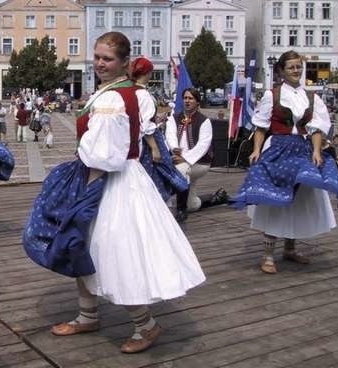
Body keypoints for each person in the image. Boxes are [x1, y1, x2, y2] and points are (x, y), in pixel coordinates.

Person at [24, 32, 205, 354]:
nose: (99, 64)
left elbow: (105, 154)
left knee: (111, 252)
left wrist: (86, 194)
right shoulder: (125, 92)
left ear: (124, 63)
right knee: (85, 245)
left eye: (107, 59)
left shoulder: (112, 98)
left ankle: (145, 325)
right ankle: (87, 314)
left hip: (108, 178)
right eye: (97, 57)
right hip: (121, 174)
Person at [231, 50, 338, 274]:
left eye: (298, 67)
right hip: (279, 148)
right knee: (275, 197)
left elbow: (316, 129)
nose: (296, 70)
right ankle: (268, 254)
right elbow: (261, 126)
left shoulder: (311, 97)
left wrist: (316, 151)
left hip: (301, 149)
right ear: (282, 70)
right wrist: (256, 150)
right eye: (291, 67)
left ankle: (290, 249)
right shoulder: (272, 95)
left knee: (300, 196)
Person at [129, 58, 188, 203]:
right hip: (149, 141)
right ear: (147, 73)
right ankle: (158, 203)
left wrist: (156, 118)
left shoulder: (131, 91)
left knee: (148, 173)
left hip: (137, 139)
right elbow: (146, 125)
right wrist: (155, 148)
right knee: (160, 170)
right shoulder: (143, 94)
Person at [165, 88, 213, 222]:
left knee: (181, 169)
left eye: (190, 98)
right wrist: (176, 150)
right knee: (192, 205)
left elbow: (203, 146)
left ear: (197, 102)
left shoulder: (204, 121)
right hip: (178, 159)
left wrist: (184, 158)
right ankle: (214, 198)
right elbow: (170, 136)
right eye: (185, 98)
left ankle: (180, 209)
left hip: (199, 163)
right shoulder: (174, 118)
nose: (187, 101)